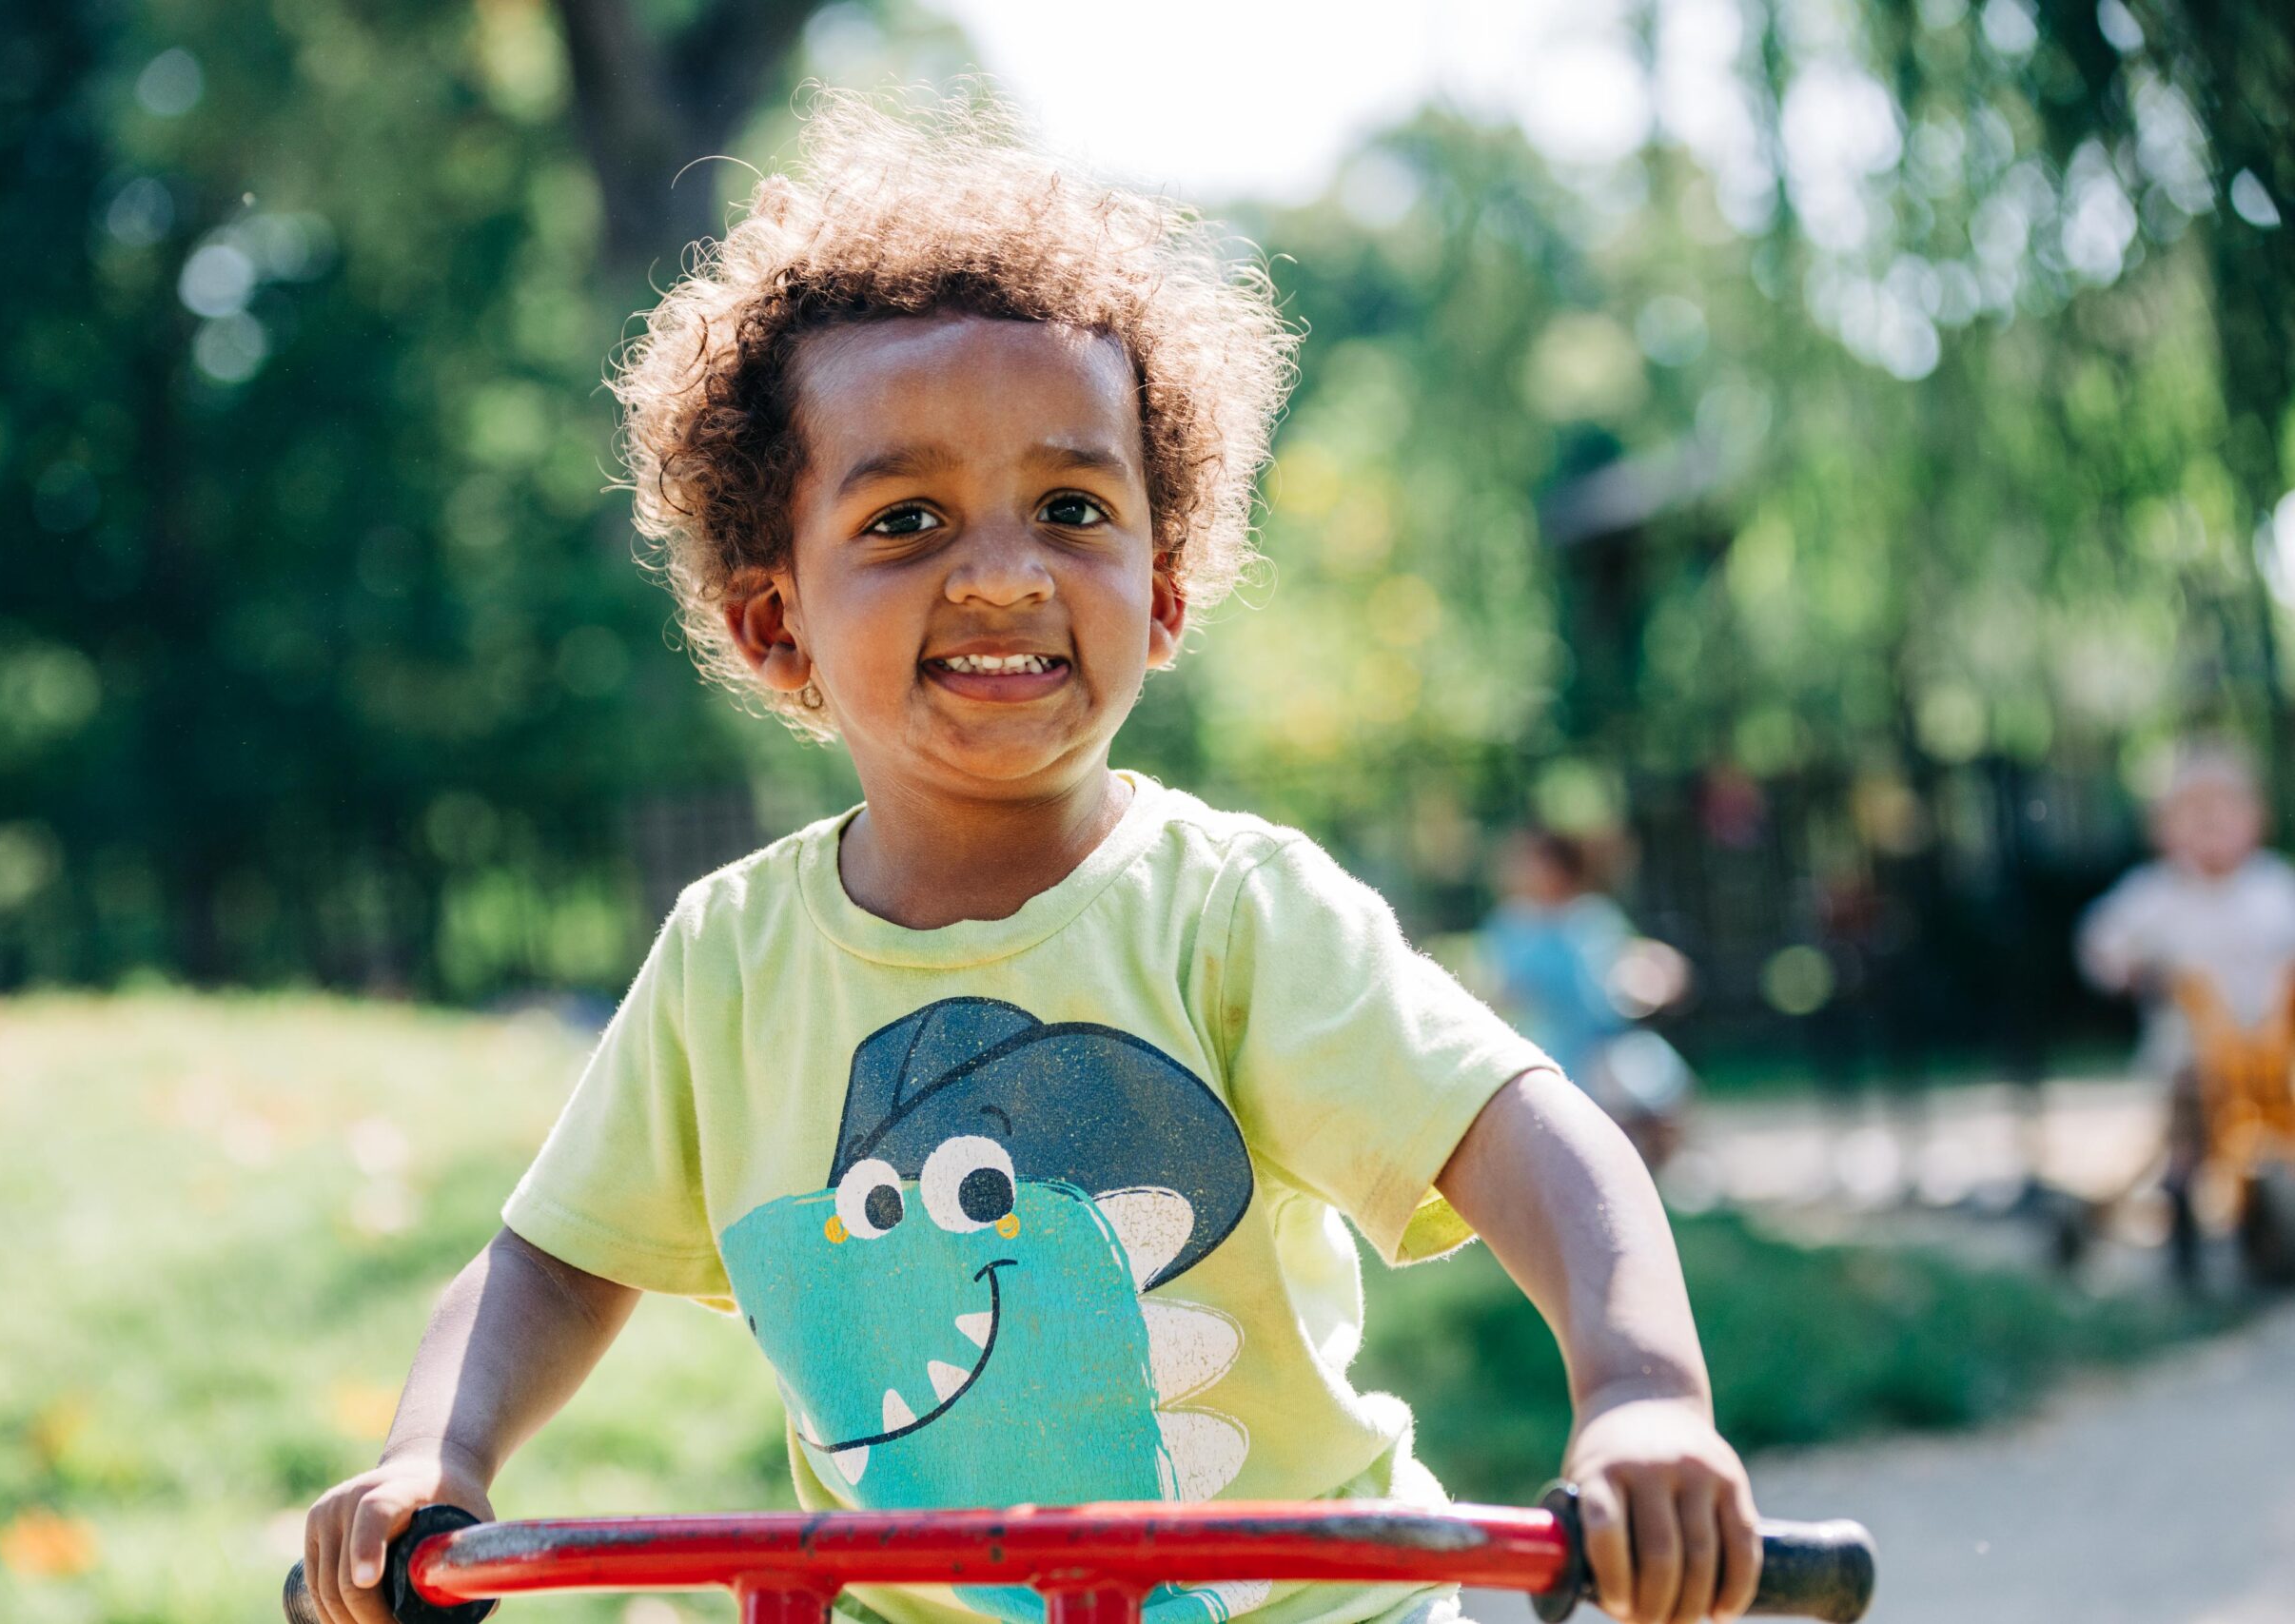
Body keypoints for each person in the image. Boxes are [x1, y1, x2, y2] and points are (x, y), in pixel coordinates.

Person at [300, 92, 1762, 1624]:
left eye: (1072, 507)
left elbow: (1535, 1137)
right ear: (772, 619)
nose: (1002, 574)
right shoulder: (730, 963)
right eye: (908, 518)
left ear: (1166, 588)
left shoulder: (1235, 913)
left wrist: (1644, 1394)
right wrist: (438, 1450)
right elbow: (551, 1258)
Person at [2076, 741, 2295, 1280]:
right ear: (2162, 830)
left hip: (2269, 1048)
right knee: (2186, 1137)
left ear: (2256, 820)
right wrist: (2124, 968)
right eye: (2192, 815)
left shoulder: (2273, 888)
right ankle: (2181, 1228)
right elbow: (2100, 939)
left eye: (2223, 811)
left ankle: (2265, 1229)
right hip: (2190, 1053)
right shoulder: (2155, 895)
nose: (2209, 825)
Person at [1480, 830, 1696, 1171]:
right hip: (1550, 1049)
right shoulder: (1511, 926)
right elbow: (1502, 991)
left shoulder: (1592, 916)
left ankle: (1666, 1168)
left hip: (1607, 1041)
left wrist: (1651, 974)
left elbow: (1619, 970)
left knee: (1660, 1091)